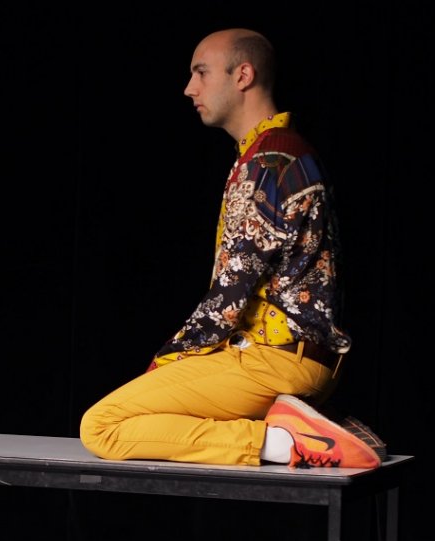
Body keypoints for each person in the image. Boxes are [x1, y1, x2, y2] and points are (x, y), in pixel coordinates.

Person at [79, 28, 382, 470]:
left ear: (243, 75)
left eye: (200, 72)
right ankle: (294, 429)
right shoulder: (276, 153)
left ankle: (283, 441)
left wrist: (165, 362)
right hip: (292, 358)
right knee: (137, 415)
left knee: (102, 425)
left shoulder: (269, 162)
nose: (189, 88)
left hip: (273, 361)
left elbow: (228, 297)